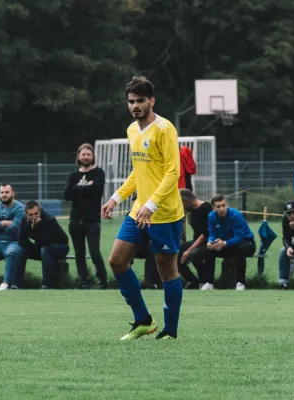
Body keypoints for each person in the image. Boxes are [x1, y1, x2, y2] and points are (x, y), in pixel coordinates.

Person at [101, 76, 184, 340]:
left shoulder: (164, 128)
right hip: (140, 211)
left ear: (152, 101)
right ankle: (143, 321)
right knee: (117, 260)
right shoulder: (131, 130)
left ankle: (170, 332)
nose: (135, 106)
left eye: (140, 101)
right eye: (131, 101)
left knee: (166, 270)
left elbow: (173, 172)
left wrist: (152, 204)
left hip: (165, 212)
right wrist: (116, 197)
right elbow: (138, 172)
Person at [64, 143, 108, 289]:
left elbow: (97, 189)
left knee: (95, 252)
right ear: (78, 156)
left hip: (92, 221)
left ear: (93, 156)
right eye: (83, 154)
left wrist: (77, 189)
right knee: (79, 254)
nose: (86, 157)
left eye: (88, 154)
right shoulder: (73, 175)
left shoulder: (99, 173)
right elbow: (67, 195)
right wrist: (84, 187)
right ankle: (84, 281)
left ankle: (102, 281)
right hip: (75, 221)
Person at [204, 194, 256, 290]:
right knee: (208, 250)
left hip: (247, 242)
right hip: (226, 244)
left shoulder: (236, 215)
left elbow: (239, 237)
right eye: (218, 206)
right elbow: (211, 234)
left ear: (227, 204)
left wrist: (224, 243)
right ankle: (209, 283)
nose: (222, 209)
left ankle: (240, 283)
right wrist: (210, 242)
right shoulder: (211, 216)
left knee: (239, 249)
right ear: (213, 207)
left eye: (223, 205)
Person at [15, 201, 69, 289]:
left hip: (60, 246)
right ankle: (16, 285)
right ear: (26, 214)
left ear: (39, 211)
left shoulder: (49, 220)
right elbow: (21, 241)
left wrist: (35, 228)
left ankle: (46, 284)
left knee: (45, 249)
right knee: (21, 251)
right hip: (42, 247)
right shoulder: (24, 220)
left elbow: (47, 241)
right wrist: (32, 248)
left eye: (36, 213)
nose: (34, 217)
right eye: (31, 214)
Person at [178, 189, 213, 289]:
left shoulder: (206, 208)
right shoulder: (192, 211)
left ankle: (205, 281)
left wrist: (189, 250)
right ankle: (193, 281)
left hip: (208, 241)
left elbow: (205, 233)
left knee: (193, 254)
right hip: (197, 241)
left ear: (187, 201)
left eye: (181, 204)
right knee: (175, 253)